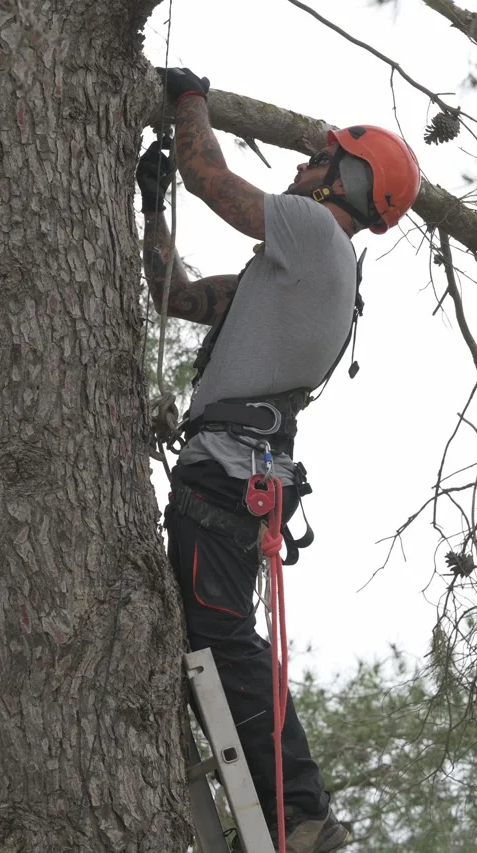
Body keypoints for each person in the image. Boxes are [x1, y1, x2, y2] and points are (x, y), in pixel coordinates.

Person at [137, 67, 421, 853]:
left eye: (318, 157)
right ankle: (287, 809)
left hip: (230, 472)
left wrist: (187, 98)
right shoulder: (292, 271)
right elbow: (178, 298)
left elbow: (213, 179)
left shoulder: (316, 233)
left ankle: (300, 812)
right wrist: (150, 206)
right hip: (232, 474)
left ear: (347, 179)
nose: (303, 165)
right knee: (206, 635)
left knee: (220, 636)